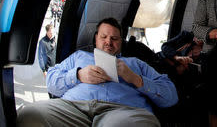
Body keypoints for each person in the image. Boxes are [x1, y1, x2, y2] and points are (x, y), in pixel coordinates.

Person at [17, 17, 178, 127]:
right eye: (104, 37)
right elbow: (50, 81)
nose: (109, 41)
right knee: (30, 115)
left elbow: (170, 96)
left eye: (114, 39)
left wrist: (136, 79)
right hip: (73, 108)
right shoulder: (79, 57)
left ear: (121, 43)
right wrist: (78, 75)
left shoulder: (135, 63)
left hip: (122, 111)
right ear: (96, 39)